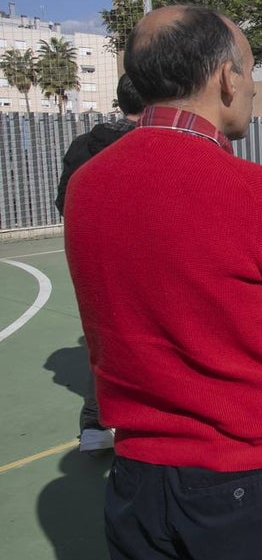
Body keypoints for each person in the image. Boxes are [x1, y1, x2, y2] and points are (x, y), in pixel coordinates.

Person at [63, 5, 262, 560]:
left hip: (138, 474)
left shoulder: (86, 185)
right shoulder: (253, 191)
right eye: (249, 71)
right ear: (226, 77)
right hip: (253, 471)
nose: (250, 89)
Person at [55, 73, 144, 455]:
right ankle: (136, 422)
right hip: (142, 256)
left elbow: (64, 202)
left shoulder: (82, 145)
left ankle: (95, 421)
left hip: (92, 257)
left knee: (102, 337)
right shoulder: (150, 146)